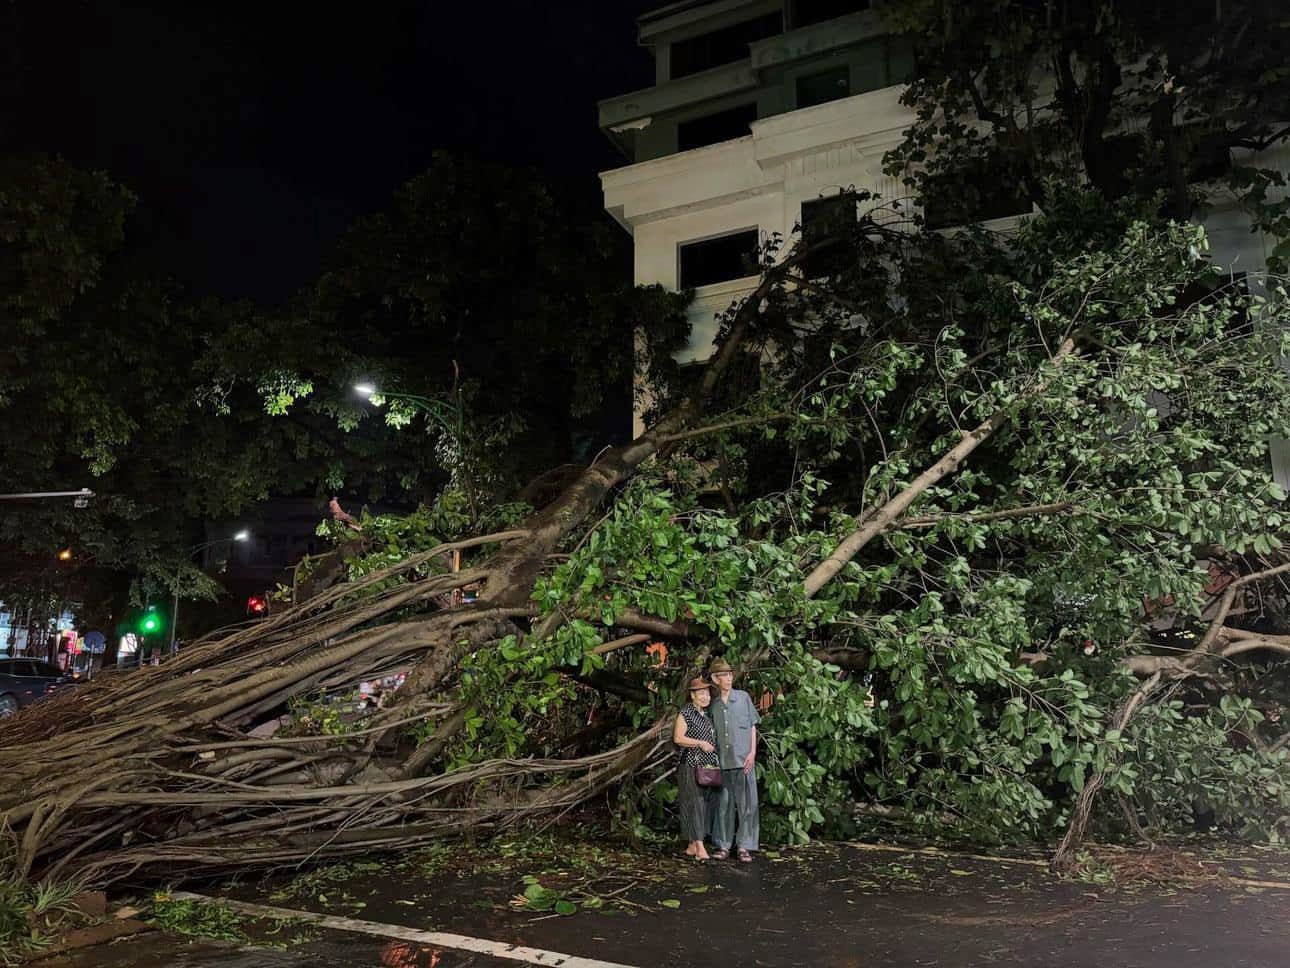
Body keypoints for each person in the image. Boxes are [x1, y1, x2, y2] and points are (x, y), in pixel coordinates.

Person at [708, 656, 761, 862]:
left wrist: (752, 752)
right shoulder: (713, 706)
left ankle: (744, 847)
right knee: (724, 805)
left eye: (730, 675)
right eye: (724, 676)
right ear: (715, 679)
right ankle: (723, 846)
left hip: (744, 760)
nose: (728, 679)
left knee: (747, 804)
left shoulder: (743, 697)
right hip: (723, 763)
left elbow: (752, 725)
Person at [673, 676, 720, 861]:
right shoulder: (686, 712)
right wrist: (699, 743)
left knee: (705, 804)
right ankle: (700, 847)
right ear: (692, 695)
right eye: (701, 693)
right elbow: (678, 738)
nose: (705, 697)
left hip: (707, 767)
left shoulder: (707, 715)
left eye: (707, 693)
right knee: (694, 804)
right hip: (690, 764)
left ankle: (692, 845)